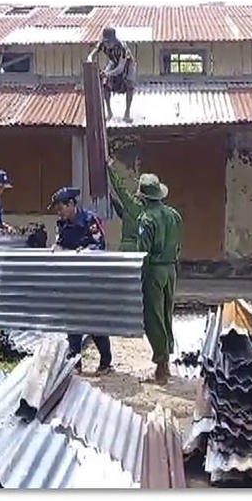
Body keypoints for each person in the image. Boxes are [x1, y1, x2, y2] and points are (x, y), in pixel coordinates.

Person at [49, 187, 113, 374]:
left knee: (95, 319)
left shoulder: (90, 220)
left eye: (61, 208)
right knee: (72, 319)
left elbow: (99, 244)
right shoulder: (62, 224)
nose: (59, 212)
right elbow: (60, 242)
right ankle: (75, 362)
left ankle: (105, 362)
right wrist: (56, 248)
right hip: (71, 279)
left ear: (71, 204)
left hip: (92, 279)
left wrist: (85, 251)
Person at [135, 173, 183, 383]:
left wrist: (139, 275)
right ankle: (166, 360)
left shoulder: (146, 219)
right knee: (166, 313)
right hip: (171, 268)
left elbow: (142, 251)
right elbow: (179, 243)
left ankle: (161, 367)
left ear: (144, 198)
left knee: (153, 316)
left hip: (154, 270)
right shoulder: (173, 215)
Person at [87, 27, 137, 122]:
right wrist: (90, 59)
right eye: (106, 42)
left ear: (114, 40)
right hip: (114, 62)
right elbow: (92, 54)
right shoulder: (102, 43)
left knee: (130, 85)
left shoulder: (122, 47)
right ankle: (109, 112)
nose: (107, 44)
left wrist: (107, 73)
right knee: (105, 85)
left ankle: (127, 113)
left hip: (127, 64)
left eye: (109, 42)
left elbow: (120, 68)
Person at [107, 159, 143, 251]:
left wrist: (111, 169)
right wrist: (113, 201)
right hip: (140, 248)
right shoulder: (146, 209)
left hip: (128, 247)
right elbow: (123, 214)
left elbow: (120, 188)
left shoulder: (132, 204)